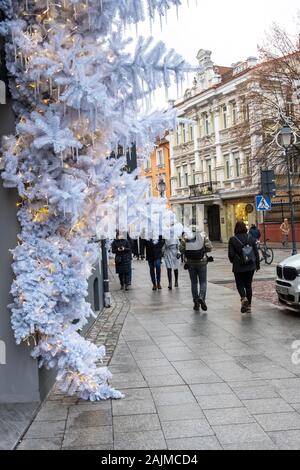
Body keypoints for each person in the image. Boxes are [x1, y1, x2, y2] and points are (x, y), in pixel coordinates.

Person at [228, 221, 260, 314]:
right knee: (248, 285)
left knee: (240, 284)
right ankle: (249, 307)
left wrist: (233, 261)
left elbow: (231, 254)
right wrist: (257, 264)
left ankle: (243, 297)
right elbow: (256, 253)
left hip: (238, 266)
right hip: (250, 265)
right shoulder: (251, 238)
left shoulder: (233, 239)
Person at [182, 230, 213, 311]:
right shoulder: (203, 234)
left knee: (194, 282)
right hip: (202, 262)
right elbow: (209, 247)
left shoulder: (186, 235)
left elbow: (181, 248)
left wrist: (186, 252)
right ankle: (201, 297)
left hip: (190, 262)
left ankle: (196, 302)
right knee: (203, 282)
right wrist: (203, 250)